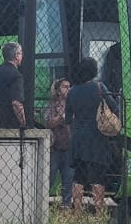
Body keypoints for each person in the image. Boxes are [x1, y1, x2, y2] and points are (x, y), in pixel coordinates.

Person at [65, 56, 117, 212]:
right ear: (94, 71)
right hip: (97, 137)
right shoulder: (99, 87)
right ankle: (99, 211)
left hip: (78, 137)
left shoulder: (72, 91)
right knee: (98, 176)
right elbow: (114, 106)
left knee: (78, 176)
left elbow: (68, 118)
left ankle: (77, 211)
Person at [44, 78, 73, 205]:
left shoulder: (73, 104)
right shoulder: (52, 105)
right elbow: (48, 123)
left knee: (68, 178)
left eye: (69, 86)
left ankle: (66, 205)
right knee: (50, 176)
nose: (68, 89)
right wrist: (59, 119)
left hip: (69, 146)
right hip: (55, 146)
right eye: (64, 86)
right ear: (58, 90)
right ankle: (43, 202)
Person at [0, 42, 27, 129]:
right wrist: (23, 123)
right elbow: (16, 103)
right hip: (9, 125)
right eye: (21, 53)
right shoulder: (16, 75)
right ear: (17, 55)